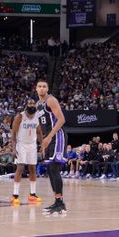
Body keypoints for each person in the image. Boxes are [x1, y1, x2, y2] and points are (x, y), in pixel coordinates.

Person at [36, 79, 68, 215]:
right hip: (48, 139)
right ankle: (57, 201)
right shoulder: (38, 104)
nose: (42, 88)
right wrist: (42, 143)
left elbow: (61, 120)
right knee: (50, 170)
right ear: (36, 89)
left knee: (54, 169)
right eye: (39, 86)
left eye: (44, 86)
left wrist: (49, 137)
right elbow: (40, 126)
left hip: (57, 137)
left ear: (47, 89)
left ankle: (60, 203)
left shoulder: (51, 100)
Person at [10, 98, 42, 205]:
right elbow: (13, 133)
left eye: (33, 103)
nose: (32, 105)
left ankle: (32, 195)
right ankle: (15, 195)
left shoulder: (37, 116)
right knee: (20, 167)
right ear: (26, 105)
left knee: (32, 168)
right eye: (30, 103)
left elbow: (38, 132)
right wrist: (14, 148)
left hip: (32, 145)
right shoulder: (20, 116)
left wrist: (42, 145)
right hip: (21, 144)